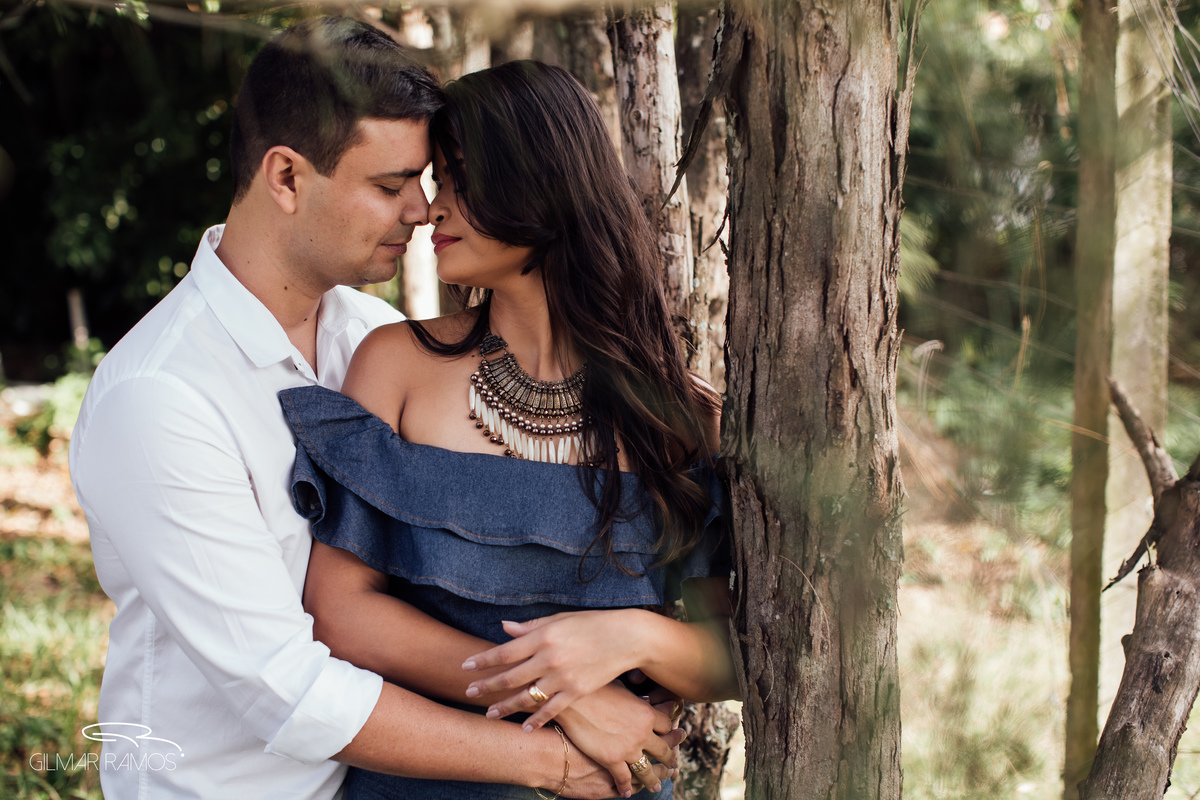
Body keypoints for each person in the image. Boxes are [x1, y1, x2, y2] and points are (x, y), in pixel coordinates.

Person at [69, 20, 674, 800]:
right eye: (391, 187)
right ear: (285, 178)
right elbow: (284, 687)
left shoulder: (373, 338)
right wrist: (555, 750)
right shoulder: (160, 398)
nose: (422, 212)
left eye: (423, 181)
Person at [279, 60, 740, 800]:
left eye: (459, 178)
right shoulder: (395, 365)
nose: (431, 210)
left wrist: (631, 638)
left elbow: (733, 660)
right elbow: (341, 614)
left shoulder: (678, 417)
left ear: (541, 181)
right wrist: (558, 694)